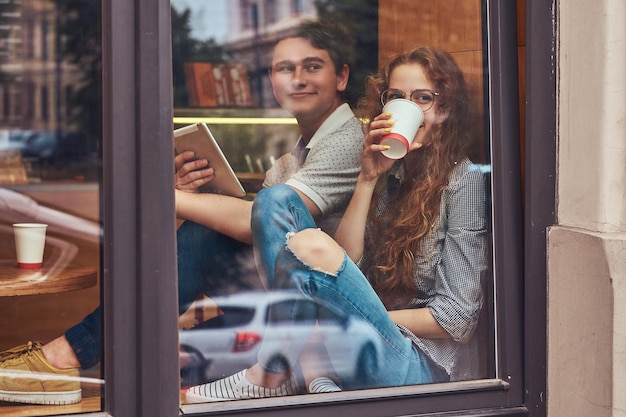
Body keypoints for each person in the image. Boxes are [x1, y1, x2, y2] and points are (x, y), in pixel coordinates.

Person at [0, 19, 365, 405]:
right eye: (284, 68)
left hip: (331, 320)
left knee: (200, 238)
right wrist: (192, 192)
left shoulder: (347, 142)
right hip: (292, 306)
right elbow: (263, 226)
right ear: (272, 80)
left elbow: (263, 221)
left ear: (341, 76)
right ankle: (70, 364)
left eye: (312, 66)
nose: (298, 79)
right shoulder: (294, 158)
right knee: (163, 356)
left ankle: (63, 358)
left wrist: (166, 197)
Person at [184, 46, 489, 403]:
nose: (408, 108)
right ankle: (301, 371)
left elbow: (457, 319)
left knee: (311, 248)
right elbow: (348, 262)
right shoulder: (392, 175)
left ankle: (280, 370)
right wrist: (368, 177)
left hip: (419, 365)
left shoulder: (464, 181)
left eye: (422, 98)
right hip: (353, 341)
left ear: (445, 110)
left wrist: (365, 315)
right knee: (275, 200)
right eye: (395, 97)